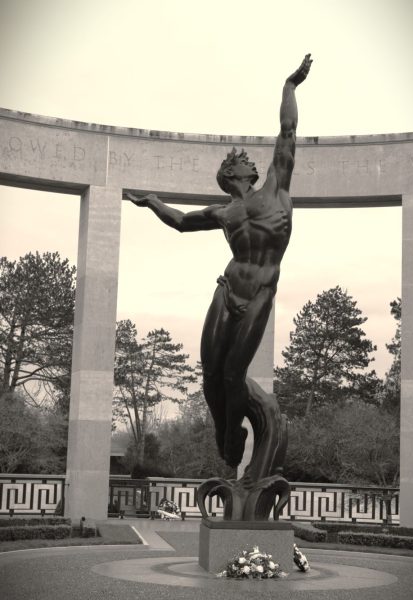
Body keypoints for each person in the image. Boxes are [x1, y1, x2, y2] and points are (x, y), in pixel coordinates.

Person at [127, 54, 313, 468]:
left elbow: (288, 130)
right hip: (227, 291)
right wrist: (152, 201)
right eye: (236, 163)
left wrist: (289, 86)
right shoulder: (224, 212)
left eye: (242, 161)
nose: (244, 161)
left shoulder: (277, 189)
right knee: (211, 373)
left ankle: (233, 434)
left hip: (260, 293)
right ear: (232, 176)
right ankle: (221, 429)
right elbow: (179, 222)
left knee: (233, 375)